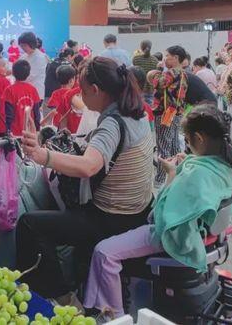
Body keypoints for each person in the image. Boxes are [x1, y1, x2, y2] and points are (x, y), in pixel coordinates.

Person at [83, 105, 232, 318]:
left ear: (199, 139)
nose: (186, 144)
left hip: (174, 237)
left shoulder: (195, 176)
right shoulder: (228, 163)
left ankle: (116, 316)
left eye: (187, 139)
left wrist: (172, 174)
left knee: (104, 252)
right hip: (203, 235)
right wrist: (182, 169)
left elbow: (164, 217)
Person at [17, 57, 154, 299]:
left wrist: (42, 155)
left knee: (29, 223)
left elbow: (89, 166)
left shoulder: (113, 123)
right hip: (139, 211)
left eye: (82, 89)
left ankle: (55, 294)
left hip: (112, 218)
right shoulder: (137, 113)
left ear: (95, 90)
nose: (80, 94)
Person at [149, 45, 216, 184]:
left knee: (163, 145)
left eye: (167, 56)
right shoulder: (184, 73)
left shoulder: (171, 73)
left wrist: (157, 71)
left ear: (176, 58)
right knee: (173, 144)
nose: (165, 58)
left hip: (165, 112)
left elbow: (157, 83)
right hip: (176, 112)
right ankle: (177, 173)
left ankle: (160, 178)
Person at [4, 60, 42, 136]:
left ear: (13, 73)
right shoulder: (33, 89)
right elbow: (36, 112)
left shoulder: (9, 90)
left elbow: (8, 113)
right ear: (28, 74)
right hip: (30, 131)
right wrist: (37, 128)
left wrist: (8, 130)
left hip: (14, 133)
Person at [18, 31, 48, 100]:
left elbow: (31, 75)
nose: (22, 48)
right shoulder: (24, 56)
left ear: (31, 44)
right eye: (21, 46)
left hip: (36, 92)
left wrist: (17, 79)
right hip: (24, 91)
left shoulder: (40, 57)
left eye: (24, 45)